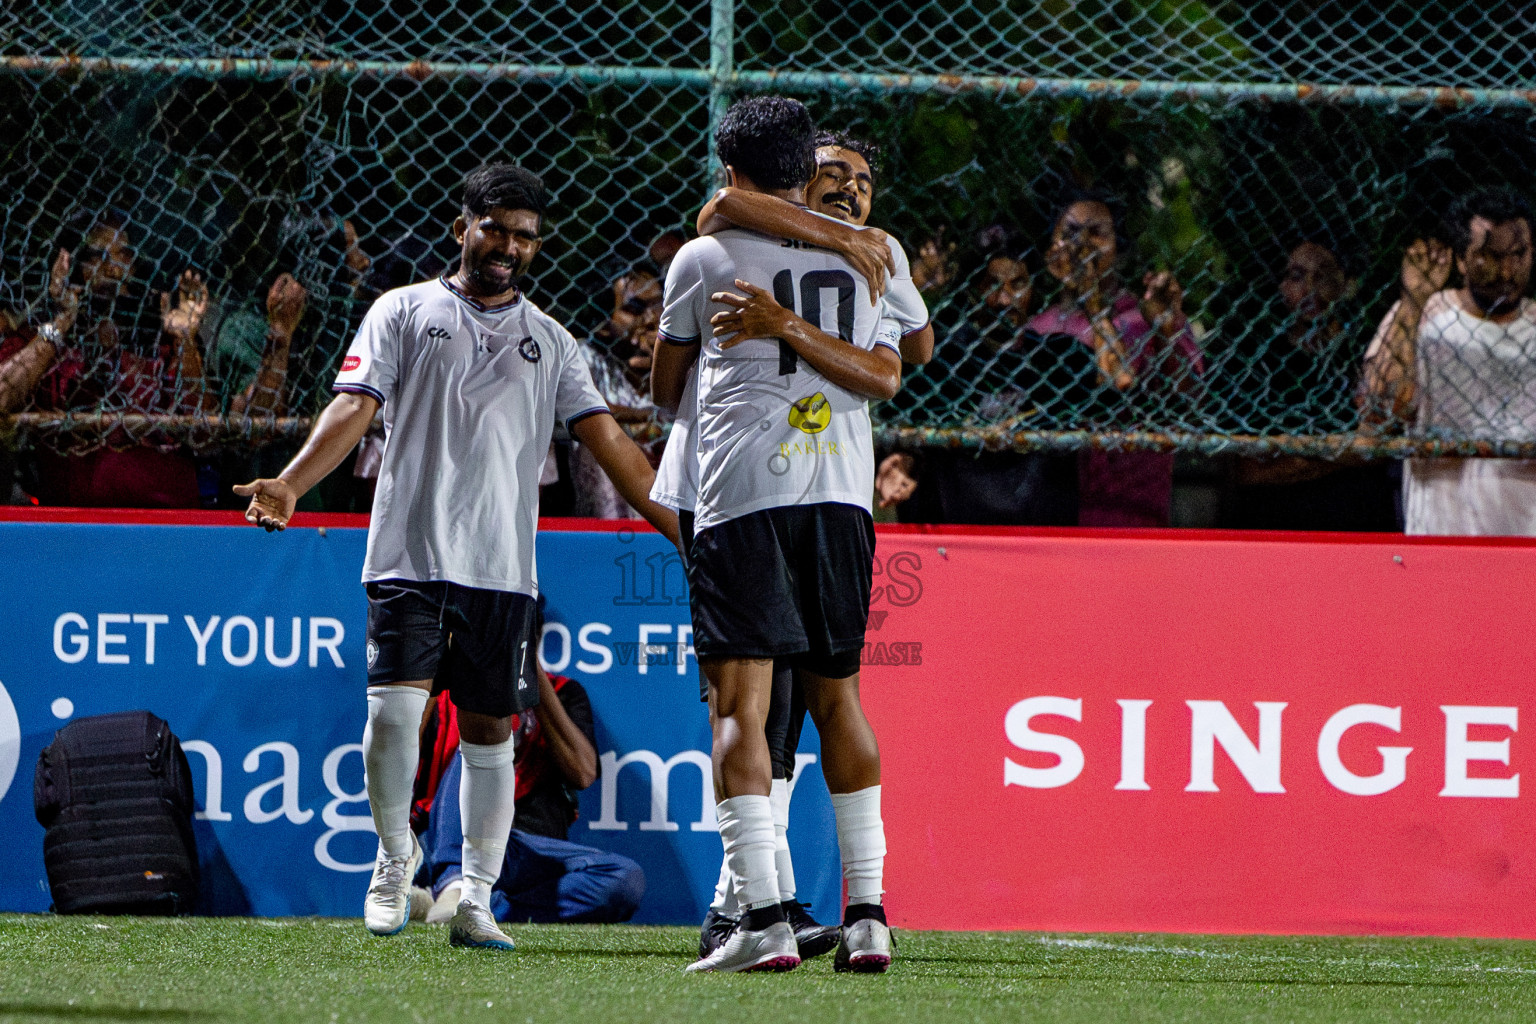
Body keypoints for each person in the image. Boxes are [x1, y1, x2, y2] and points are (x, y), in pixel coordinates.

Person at [234, 162, 679, 952]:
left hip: (503, 572)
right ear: (462, 227)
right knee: (390, 719)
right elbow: (351, 409)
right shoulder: (402, 311)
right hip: (407, 555)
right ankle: (393, 857)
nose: (509, 246)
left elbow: (615, 450)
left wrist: (686, 530)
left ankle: (475, 897)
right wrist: (294, 484)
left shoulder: (555, 342)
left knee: (490, 740)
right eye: (496, 228)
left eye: (525, 235)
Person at [652, 96, 905, 974]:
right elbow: (894, 369)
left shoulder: (707, 254)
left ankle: (755, 916)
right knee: (841, 699)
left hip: (741, 495)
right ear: (806, 171)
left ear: (729, 166)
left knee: (741, 709)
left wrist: (763, 339)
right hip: (842, 496)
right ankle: (867, 913)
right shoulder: (880, 253)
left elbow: (663, 383)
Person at [1360, 186, 1536, 535]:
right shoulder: (1427, 314)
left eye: (1519, 255)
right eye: (1490, 257)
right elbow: (1380, 412)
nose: (1507, 271)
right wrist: (1413, 302)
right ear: (1461, 259)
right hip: (1441, 536)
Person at [412, 661, 644, 924]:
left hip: (523, 854)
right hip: (448, 840)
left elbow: (583, 772)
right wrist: (434, 680)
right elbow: (400, 761)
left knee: (623, 880)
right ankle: (454, 882)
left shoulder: (562, 691)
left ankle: (472, 905)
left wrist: (531, 679)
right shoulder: (441, 695)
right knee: (478, 732)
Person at [1025, 190, 1204, 527]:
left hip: (1132, 504)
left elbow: (1189, 395)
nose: (1082, 245)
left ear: (1118, 248)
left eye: (1096, 233)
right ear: (1052, 251)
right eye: (1070, 233)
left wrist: (1165, 330)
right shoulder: (1038, 326)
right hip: (1053, 506)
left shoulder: (1145, 316)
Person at [1224, 238, 1397, 531]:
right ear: (1280, 287)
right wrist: (1346, 452)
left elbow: (1382, 448)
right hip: (1277, 524)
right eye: (1296, 277)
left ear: (1347, 284)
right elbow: (1249, 471)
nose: (1310, 289)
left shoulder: (1365, 352)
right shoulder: (1259, 361)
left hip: (1360, 524)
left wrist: (1297, 453)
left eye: (1325, 275)